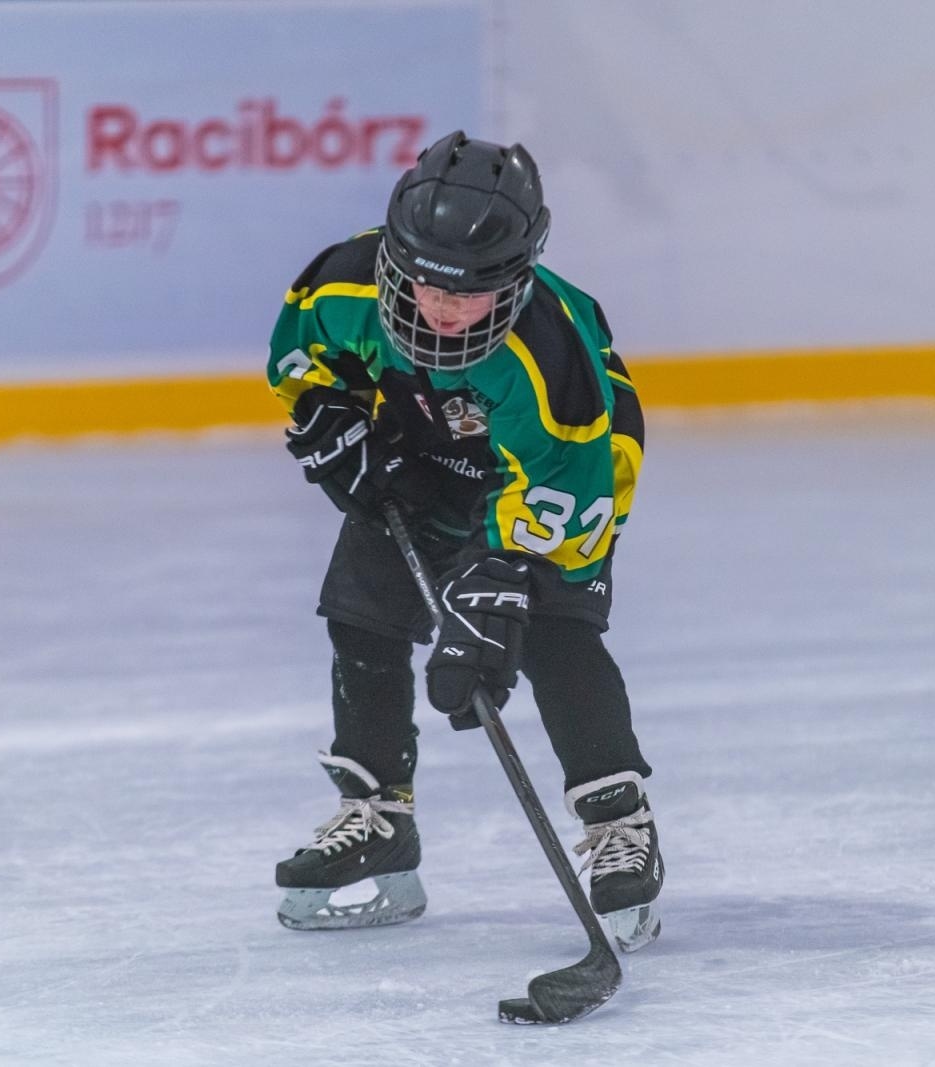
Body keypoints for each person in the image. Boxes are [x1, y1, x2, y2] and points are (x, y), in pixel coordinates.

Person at [266, 130, 662, 951]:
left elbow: (578, 494)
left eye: (471, 294)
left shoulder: (551, 365)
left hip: (555, 479)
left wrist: (506, 572)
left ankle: (619, 818)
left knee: (556, 635)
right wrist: (329, 411)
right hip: (422, 455)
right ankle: (378, 813)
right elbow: (304, 357)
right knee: (363, 611)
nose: (442, 309)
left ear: (514, 280)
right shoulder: (341, 282)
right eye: (422, 285)